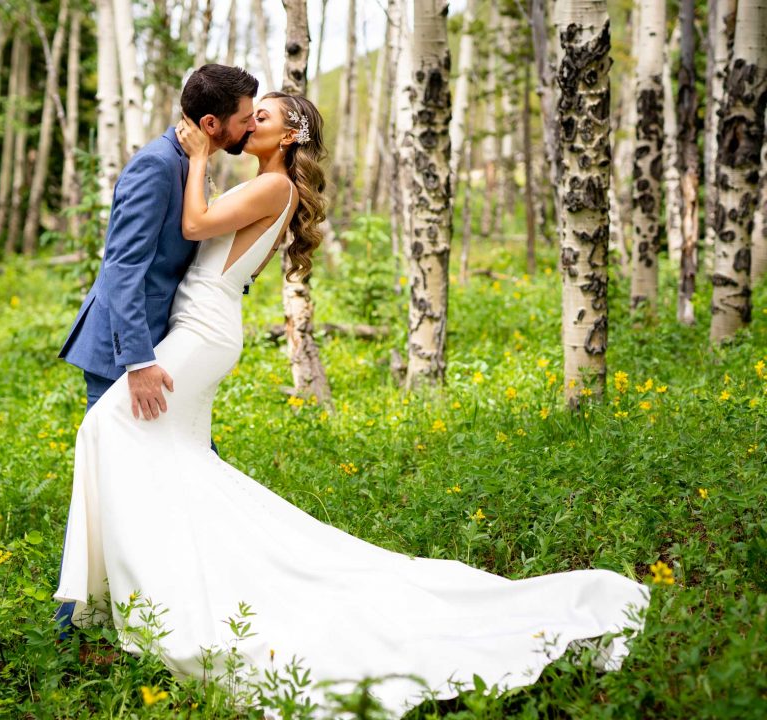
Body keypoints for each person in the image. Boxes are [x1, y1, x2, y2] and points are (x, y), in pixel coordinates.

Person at [53, 93, 651, 716]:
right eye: (248, 115)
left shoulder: (274, 187)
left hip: (202, 334)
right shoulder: (266, 184)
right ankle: (158, 590)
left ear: (288, 138)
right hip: (198, 327)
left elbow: (194, 226)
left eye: (263, 118)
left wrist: (199, 155)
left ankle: (138, 602)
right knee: (175, 463)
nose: (250, 124)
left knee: (107, 429)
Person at [53, 64, 260, 639]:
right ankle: (72, 630)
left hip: (166, 348)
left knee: (192, 470)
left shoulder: (195, 164)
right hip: (124, 352)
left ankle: (194, 607)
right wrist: (139, 362)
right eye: (245, 120)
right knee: (111, 483)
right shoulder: (155, 166)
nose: (250, 128)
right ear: (214, 123)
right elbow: (121, 271)